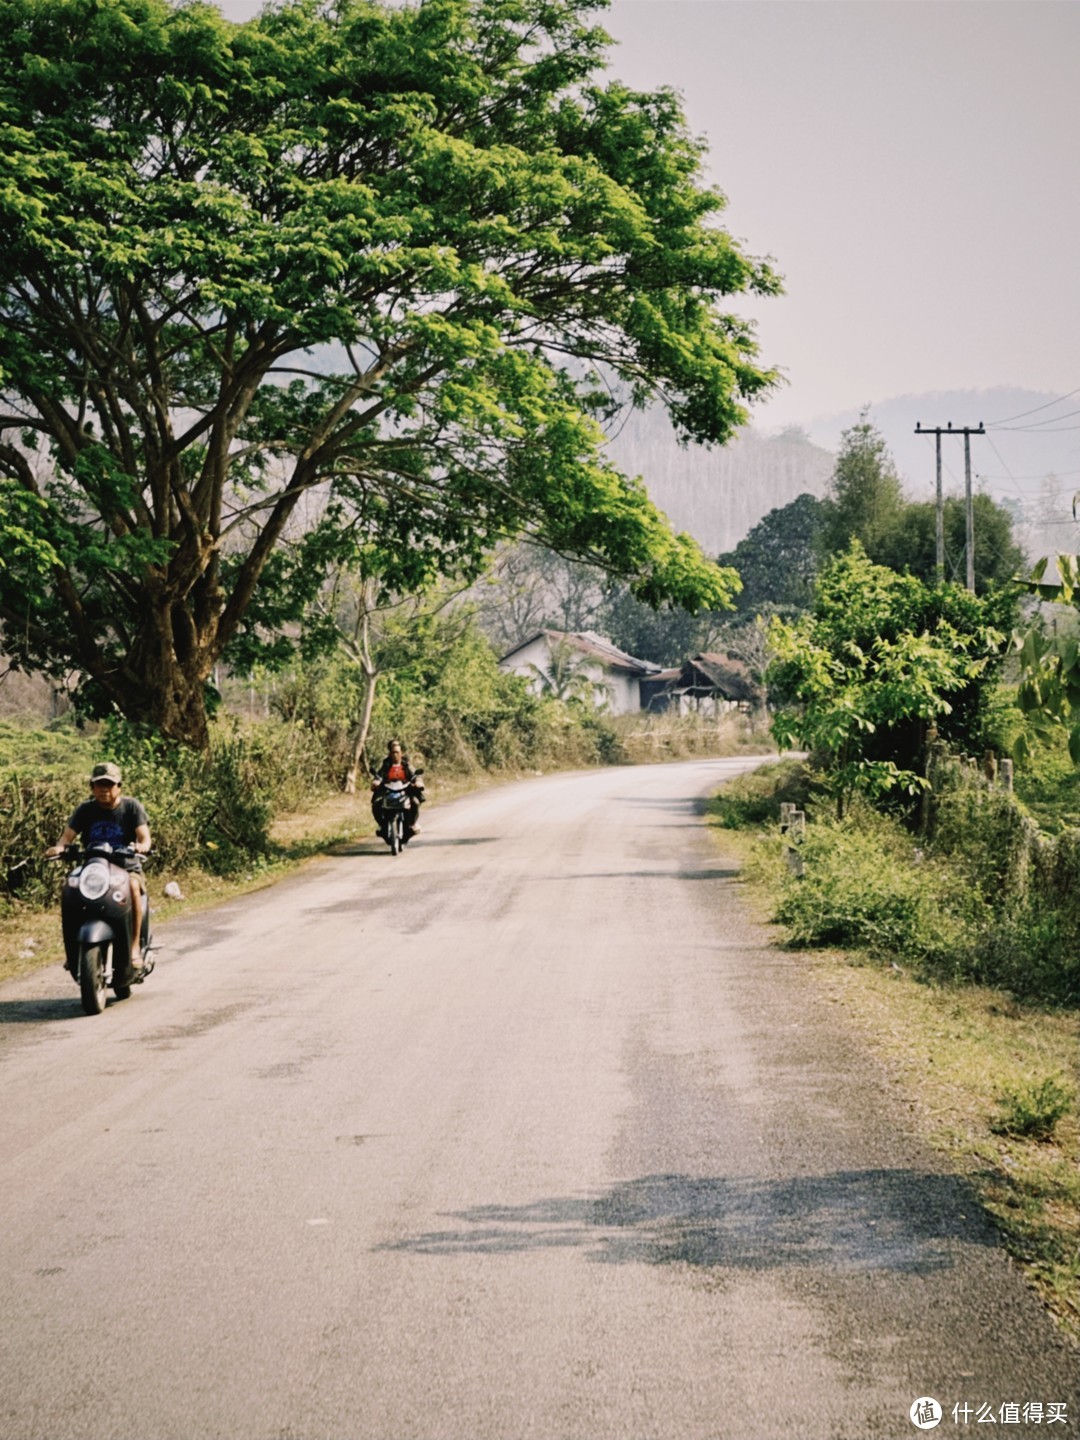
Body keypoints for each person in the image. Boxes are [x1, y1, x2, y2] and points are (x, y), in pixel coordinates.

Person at [46, 762, 152, 970]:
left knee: (133, 887)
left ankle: (134, 947)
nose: (104, 789)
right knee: (70, 888)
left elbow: (145, 837)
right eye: (99, 784)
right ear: (91, 787)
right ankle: (72, 951)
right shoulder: (85, 810)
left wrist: (142, 846)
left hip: (126, 868)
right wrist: (59, 848)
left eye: (109, 784)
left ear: (119, 786)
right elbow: (66, 838)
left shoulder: (131, 807)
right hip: (94, 871)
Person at [370, 739, 424, 842]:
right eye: (393, 752)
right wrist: (376, 782)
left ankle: (412, 824)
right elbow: (379, 775)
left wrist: (418, 782)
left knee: (415, 802)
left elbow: (413, 775)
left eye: (397, 752)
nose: (395, 755)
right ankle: (382, 825)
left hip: (405, 791)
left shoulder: (406, 764)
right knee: (376, 804)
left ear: (401, 753)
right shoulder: (386, 765)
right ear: (390, 753)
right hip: (388, 791)